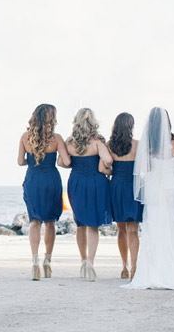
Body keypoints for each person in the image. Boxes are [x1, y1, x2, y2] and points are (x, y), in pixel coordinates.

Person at [123, 107, 174, 290]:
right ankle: (171, 267)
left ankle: (151, 270)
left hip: (153, 188)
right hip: (170, 188)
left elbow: (142, 169)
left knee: (153, 225)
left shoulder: (147, 144)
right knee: (170, 224)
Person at [17, 104, 70, 280]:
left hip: (33, 180)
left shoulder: (25, 137)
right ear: (51, 118)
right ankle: (47, 261)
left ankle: (34, 262)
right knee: (50, 222)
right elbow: (66, 161)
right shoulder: (56, 138)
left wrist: (32, 161)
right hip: (51, 181)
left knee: (34, 221)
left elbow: (20, 162)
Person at [64, 108, 113, 281]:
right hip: (95, 183)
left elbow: (62, 162)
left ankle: (83, 260)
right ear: (93, 122)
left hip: (76, 182)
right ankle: (91, 262)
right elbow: (108, 160)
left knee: (80, 223)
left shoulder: (69, 143)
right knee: (93, 224)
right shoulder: (98, 142)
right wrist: (106, 167)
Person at [108, 112, 143, 280]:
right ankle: (135, 267)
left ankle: (124, 266)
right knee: (133, 229)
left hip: (116, 187)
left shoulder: (109, 145)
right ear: (131, 127)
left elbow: (104, 168)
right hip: (133, 187)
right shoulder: (138, 145)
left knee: (121, 228)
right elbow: (145, 168)